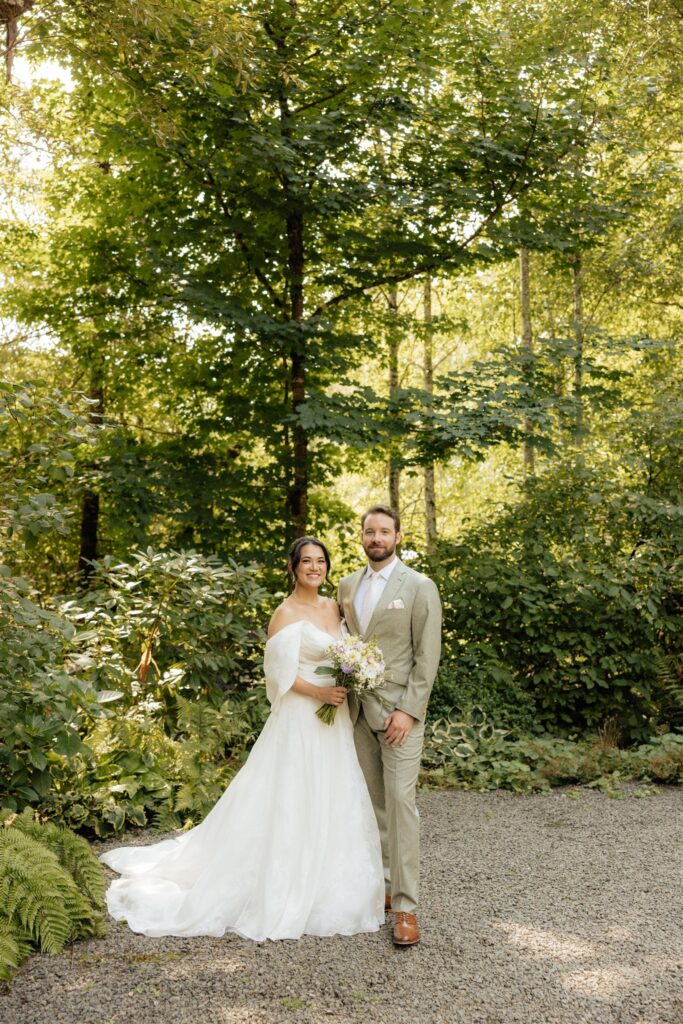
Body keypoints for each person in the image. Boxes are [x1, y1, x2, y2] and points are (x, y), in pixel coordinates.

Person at [100, 537, 384, 941]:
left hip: (333, 719)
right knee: (291, 794)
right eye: (307, 561)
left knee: (331, 793)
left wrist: (348, 677)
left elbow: (343, 655)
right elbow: (278, 677)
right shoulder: (284, 614)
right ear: (293, 567)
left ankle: (328, 880)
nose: (314, 568)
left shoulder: (333, 607)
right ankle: (279, 880)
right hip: (302, 716)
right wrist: (321, 693)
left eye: (321, 561)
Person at [338, 505, 442, 946]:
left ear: (397, 537)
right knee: (374, 805)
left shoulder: (419, 587)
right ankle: (382, 886)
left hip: (400, 714)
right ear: (361, 538)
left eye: (384, 531)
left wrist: (410, 709)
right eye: (369, 531)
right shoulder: (346, 586)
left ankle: (406, 908)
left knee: (401, 805)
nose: (376, 537)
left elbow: (428, 654)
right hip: (358, 713)